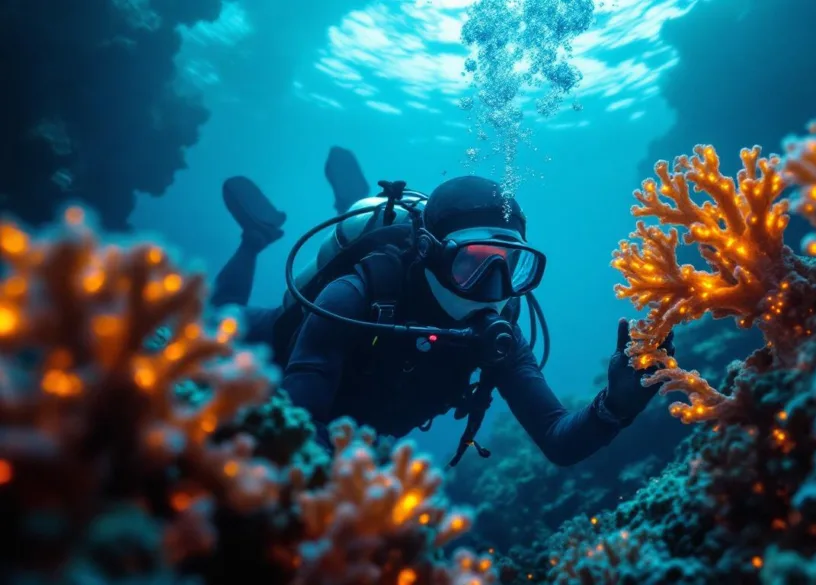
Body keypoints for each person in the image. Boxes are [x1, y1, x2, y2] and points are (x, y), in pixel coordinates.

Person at [211, 148, 671, 467]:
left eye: (510, 263)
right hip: (276, 350)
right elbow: (299, 424)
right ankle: (257, 239)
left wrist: (617, 407)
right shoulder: (356, 293)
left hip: (358, 433)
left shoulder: (499, 334)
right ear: (432, 252)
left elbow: (558, 440)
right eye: (473, 262)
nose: (494, 286)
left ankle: (354, 201)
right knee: (214, 322)